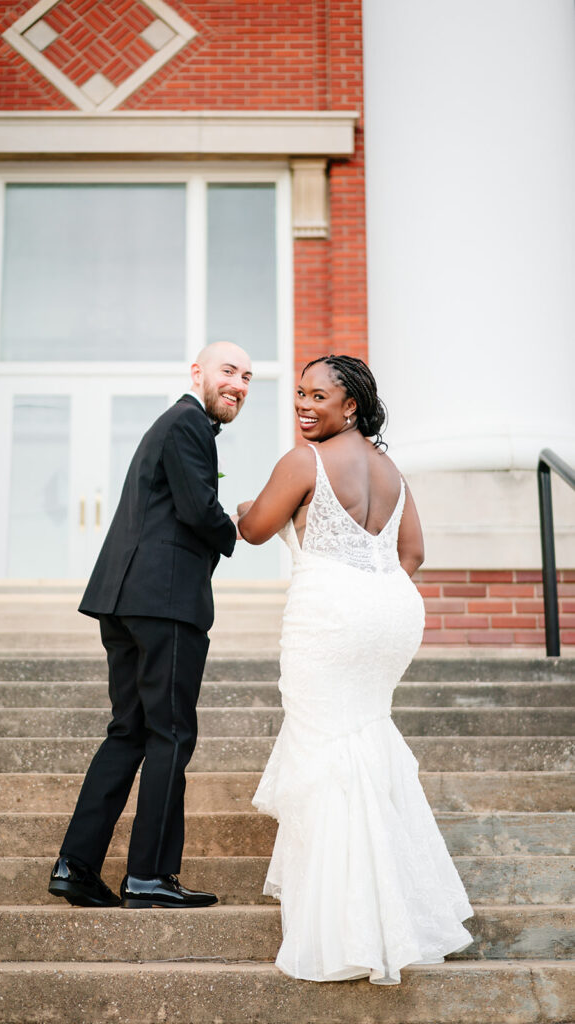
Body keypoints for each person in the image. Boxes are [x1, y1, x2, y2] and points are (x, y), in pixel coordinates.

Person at [237, 354, 473, 984]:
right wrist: (372, 592)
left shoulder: (302, 462)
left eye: (319, 397)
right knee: (363, 736)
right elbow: (413, 552)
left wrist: (241, 508)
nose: (305, 406)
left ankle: (345, 930)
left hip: (330, 615)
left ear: (352, 407)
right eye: (300, 396)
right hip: (392, 611)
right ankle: (395, 908)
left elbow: (257, 529)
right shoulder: (391, 469)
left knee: (325, 751)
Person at [49, 341, 252, 909]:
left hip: (126, 600)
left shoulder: (177, 425)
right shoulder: (188, 423)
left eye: (247, 378)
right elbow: (196, 510)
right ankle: (150, 876)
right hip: (164, 602)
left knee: (130, 732)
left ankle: (77, 865)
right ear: (198, 373)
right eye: (228, 371)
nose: (238, 384)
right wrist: (240, 526)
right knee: (170, 734)